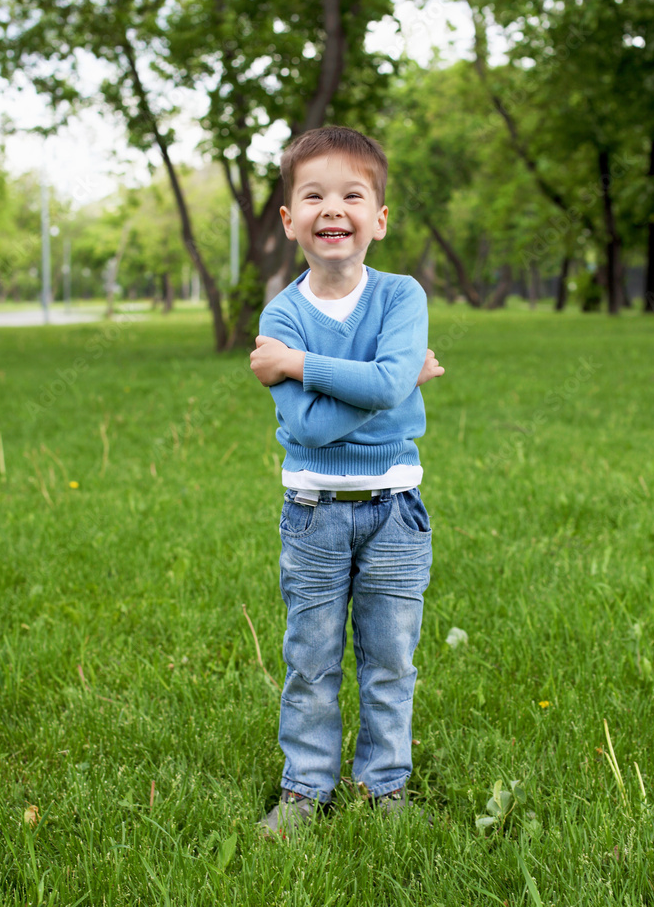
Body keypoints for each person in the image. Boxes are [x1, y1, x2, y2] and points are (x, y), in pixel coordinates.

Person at [249, 125, 444, 837]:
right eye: (314, 195)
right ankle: (305, 788)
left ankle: (384, 784)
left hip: (395, 514)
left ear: (379, 219)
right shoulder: (282, 314)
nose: (333, 209)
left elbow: (378, 383)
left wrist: (297, 367)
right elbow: (308, 430)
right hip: (313, 515)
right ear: (290, 219)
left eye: (352, 195)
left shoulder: (399, 297)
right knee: (310, 662)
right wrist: (388, 389)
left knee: (390, 660)